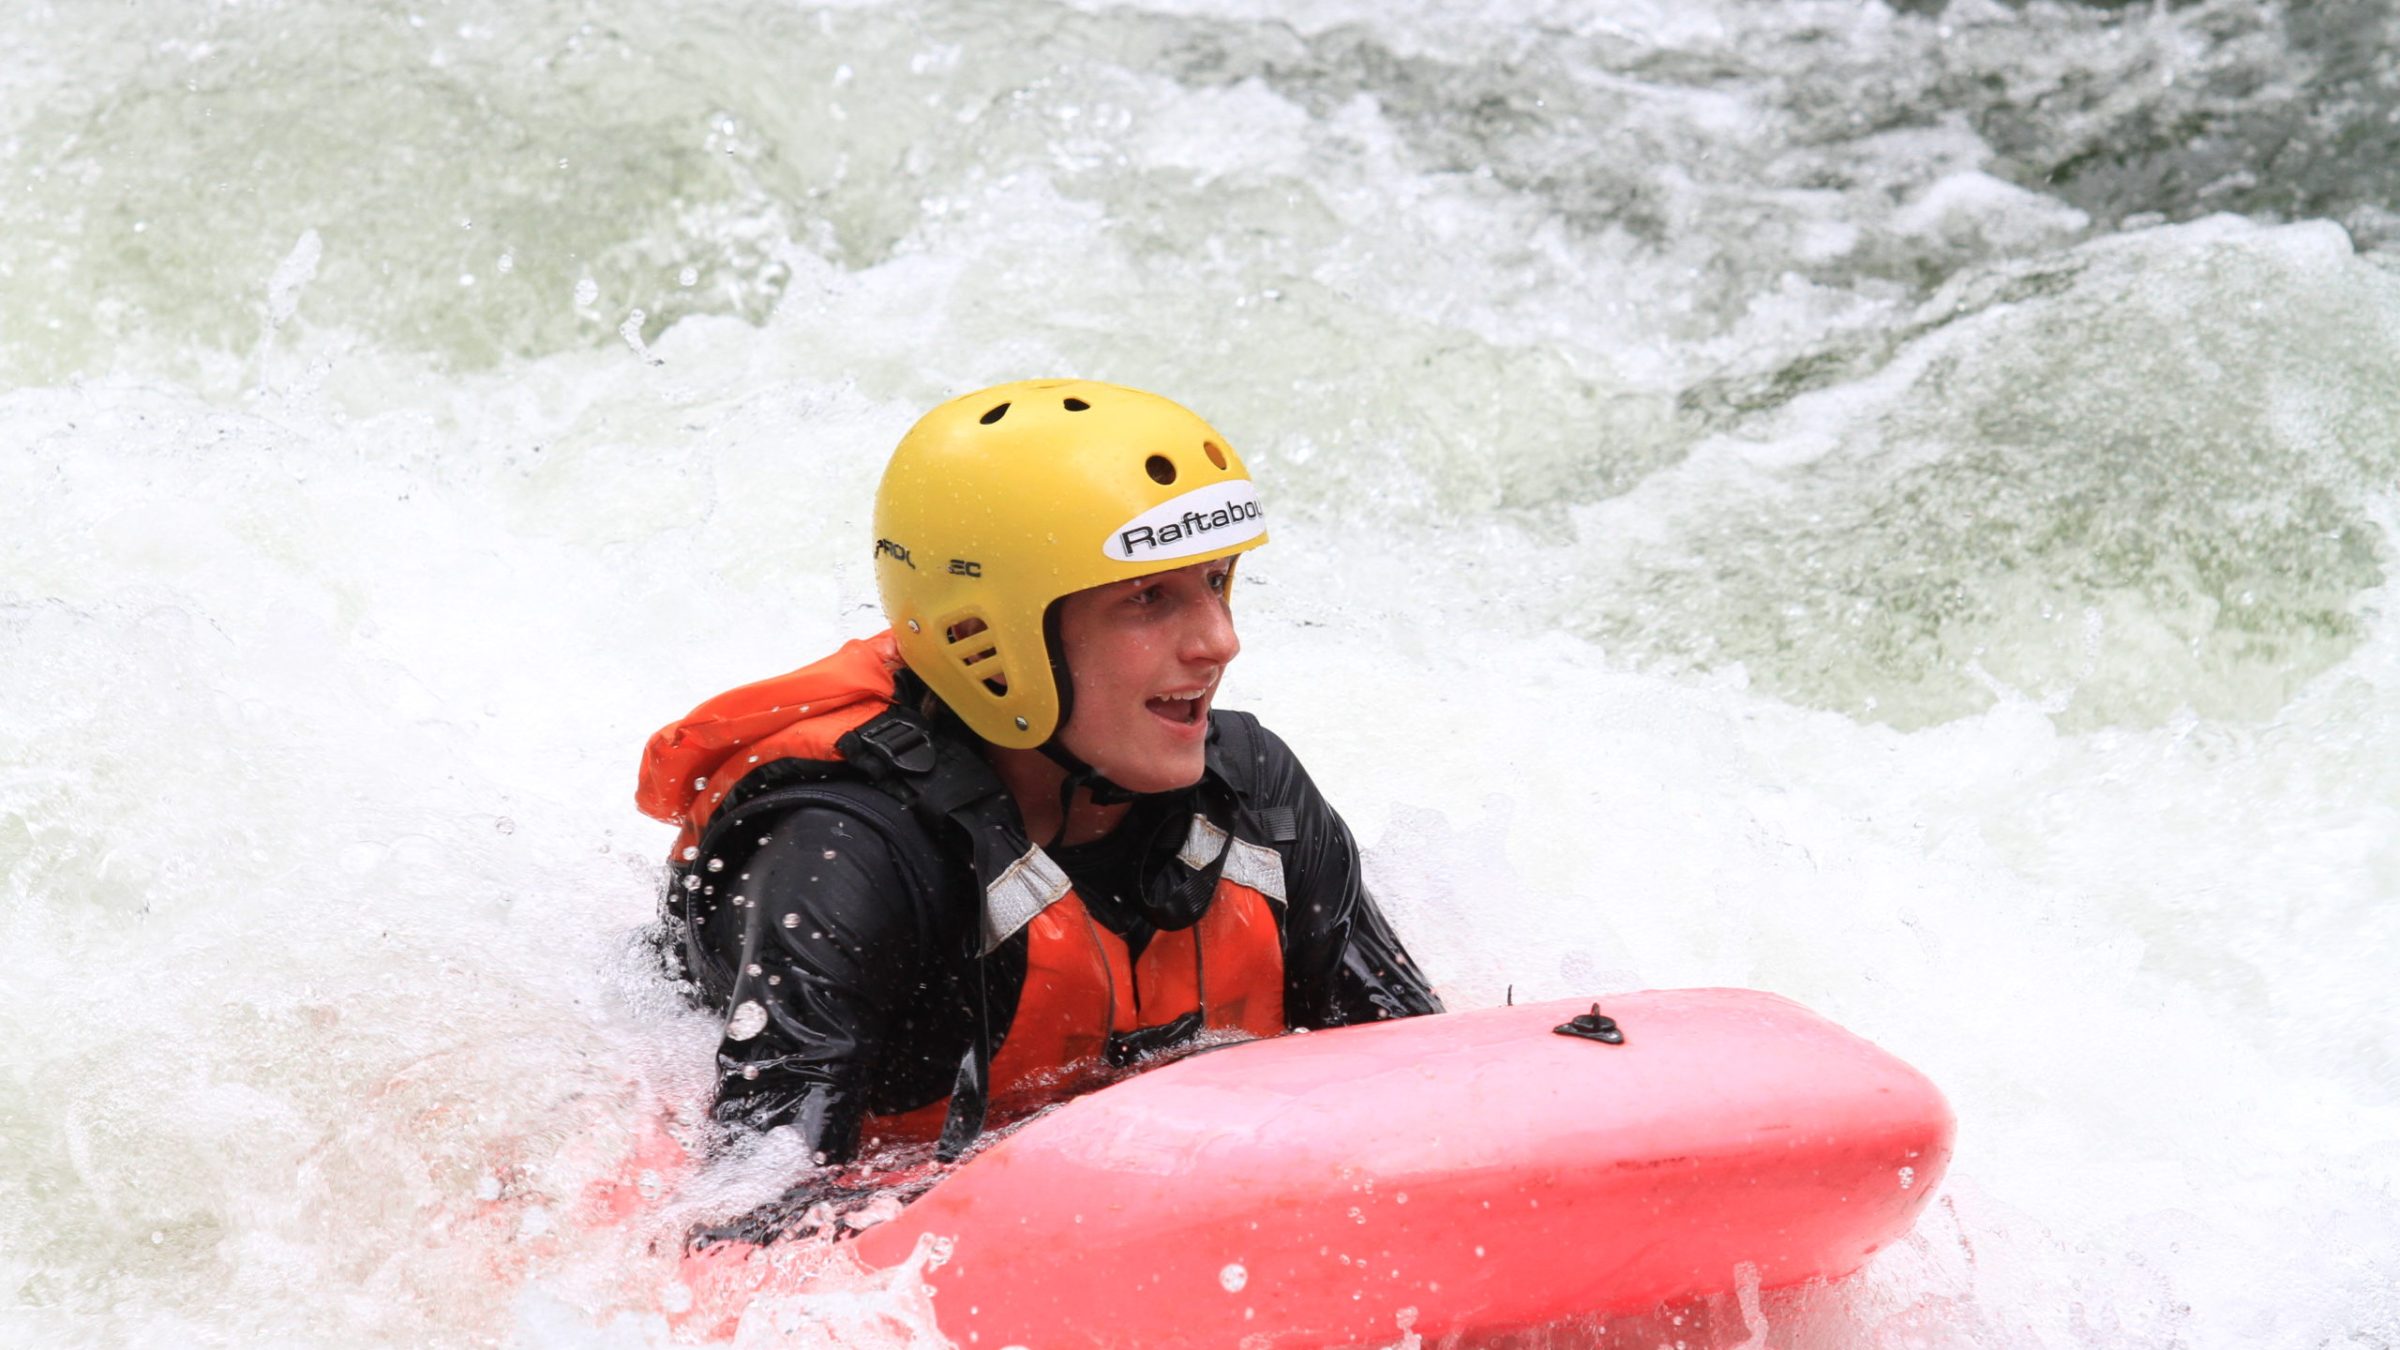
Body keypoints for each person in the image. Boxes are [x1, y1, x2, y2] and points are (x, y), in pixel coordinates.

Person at [636, 379, 1442, 1178]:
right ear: (988, 635)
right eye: (1150, 598)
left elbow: (1429, 1090)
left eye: (1218, 582)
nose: (1219, 641)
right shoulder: (841, 855)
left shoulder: (1253, 795)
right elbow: (744, 1227)